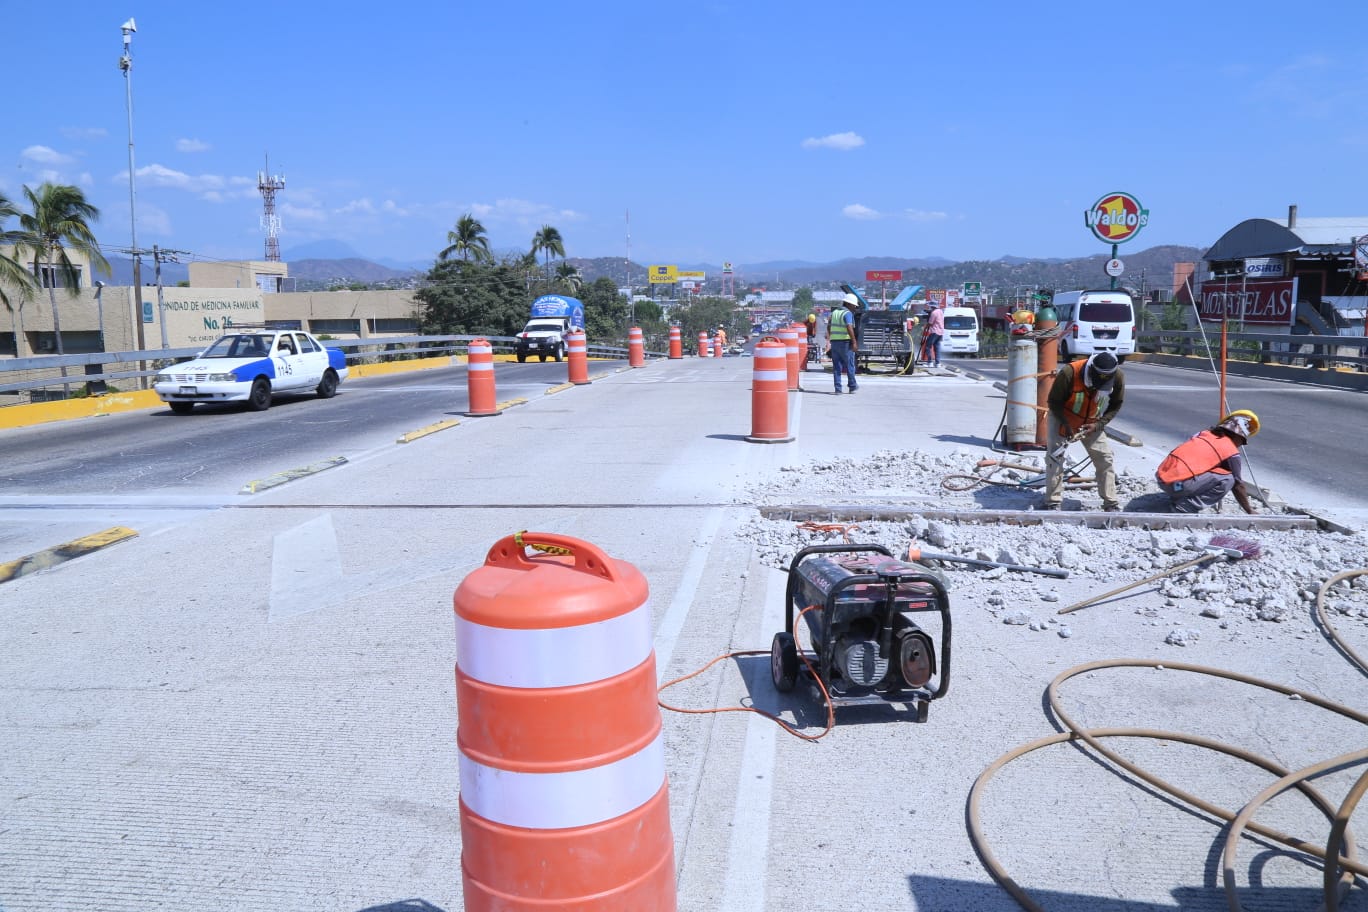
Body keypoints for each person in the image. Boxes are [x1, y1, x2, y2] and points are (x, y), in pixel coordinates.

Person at [1043, 351, 1125, 511]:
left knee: (1104, 458)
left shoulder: (1118, 376)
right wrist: (1066, 425)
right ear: (1091, 370)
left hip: (1092, 421)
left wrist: (1099, 424)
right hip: (1063, 416)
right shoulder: (1070, 373)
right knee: (1055, 457)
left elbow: (1116, 404)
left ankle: (1111, 503)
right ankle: (1053, 501)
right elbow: (1054, 401)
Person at [1156, 410, 1259, 514]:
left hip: (1163, 481)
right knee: (1228, 479)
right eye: (1242, 441)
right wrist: (1249, 510)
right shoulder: (1230, 451)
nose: (1240, 445)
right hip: (1176, 486)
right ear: (1237, 436)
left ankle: (1178, 497)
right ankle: (1186, 507)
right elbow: (1238, 485)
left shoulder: (1202, 434)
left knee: (1207, 471)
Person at [826, 293, 860, 394]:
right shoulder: (847, 313)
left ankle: (838, 389)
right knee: (850, 365)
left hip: (835, 343)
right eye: (854, 305)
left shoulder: (834, 313)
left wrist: (830, 339)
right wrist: (854, 342)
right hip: (845, 343)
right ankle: (852, 386)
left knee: (837, 367)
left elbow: (829, 326)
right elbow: (849, 327)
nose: (855, 307)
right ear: (848, 304)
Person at [924, 300, 945, 368]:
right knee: (937, 347)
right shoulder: (941, 311)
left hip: (934, 332)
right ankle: (937, 363)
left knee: (928, 347)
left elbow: (930, 323)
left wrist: (925, 327)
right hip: (940, 332)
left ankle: (930, 362)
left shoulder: (934, 313)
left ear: (932, 306)